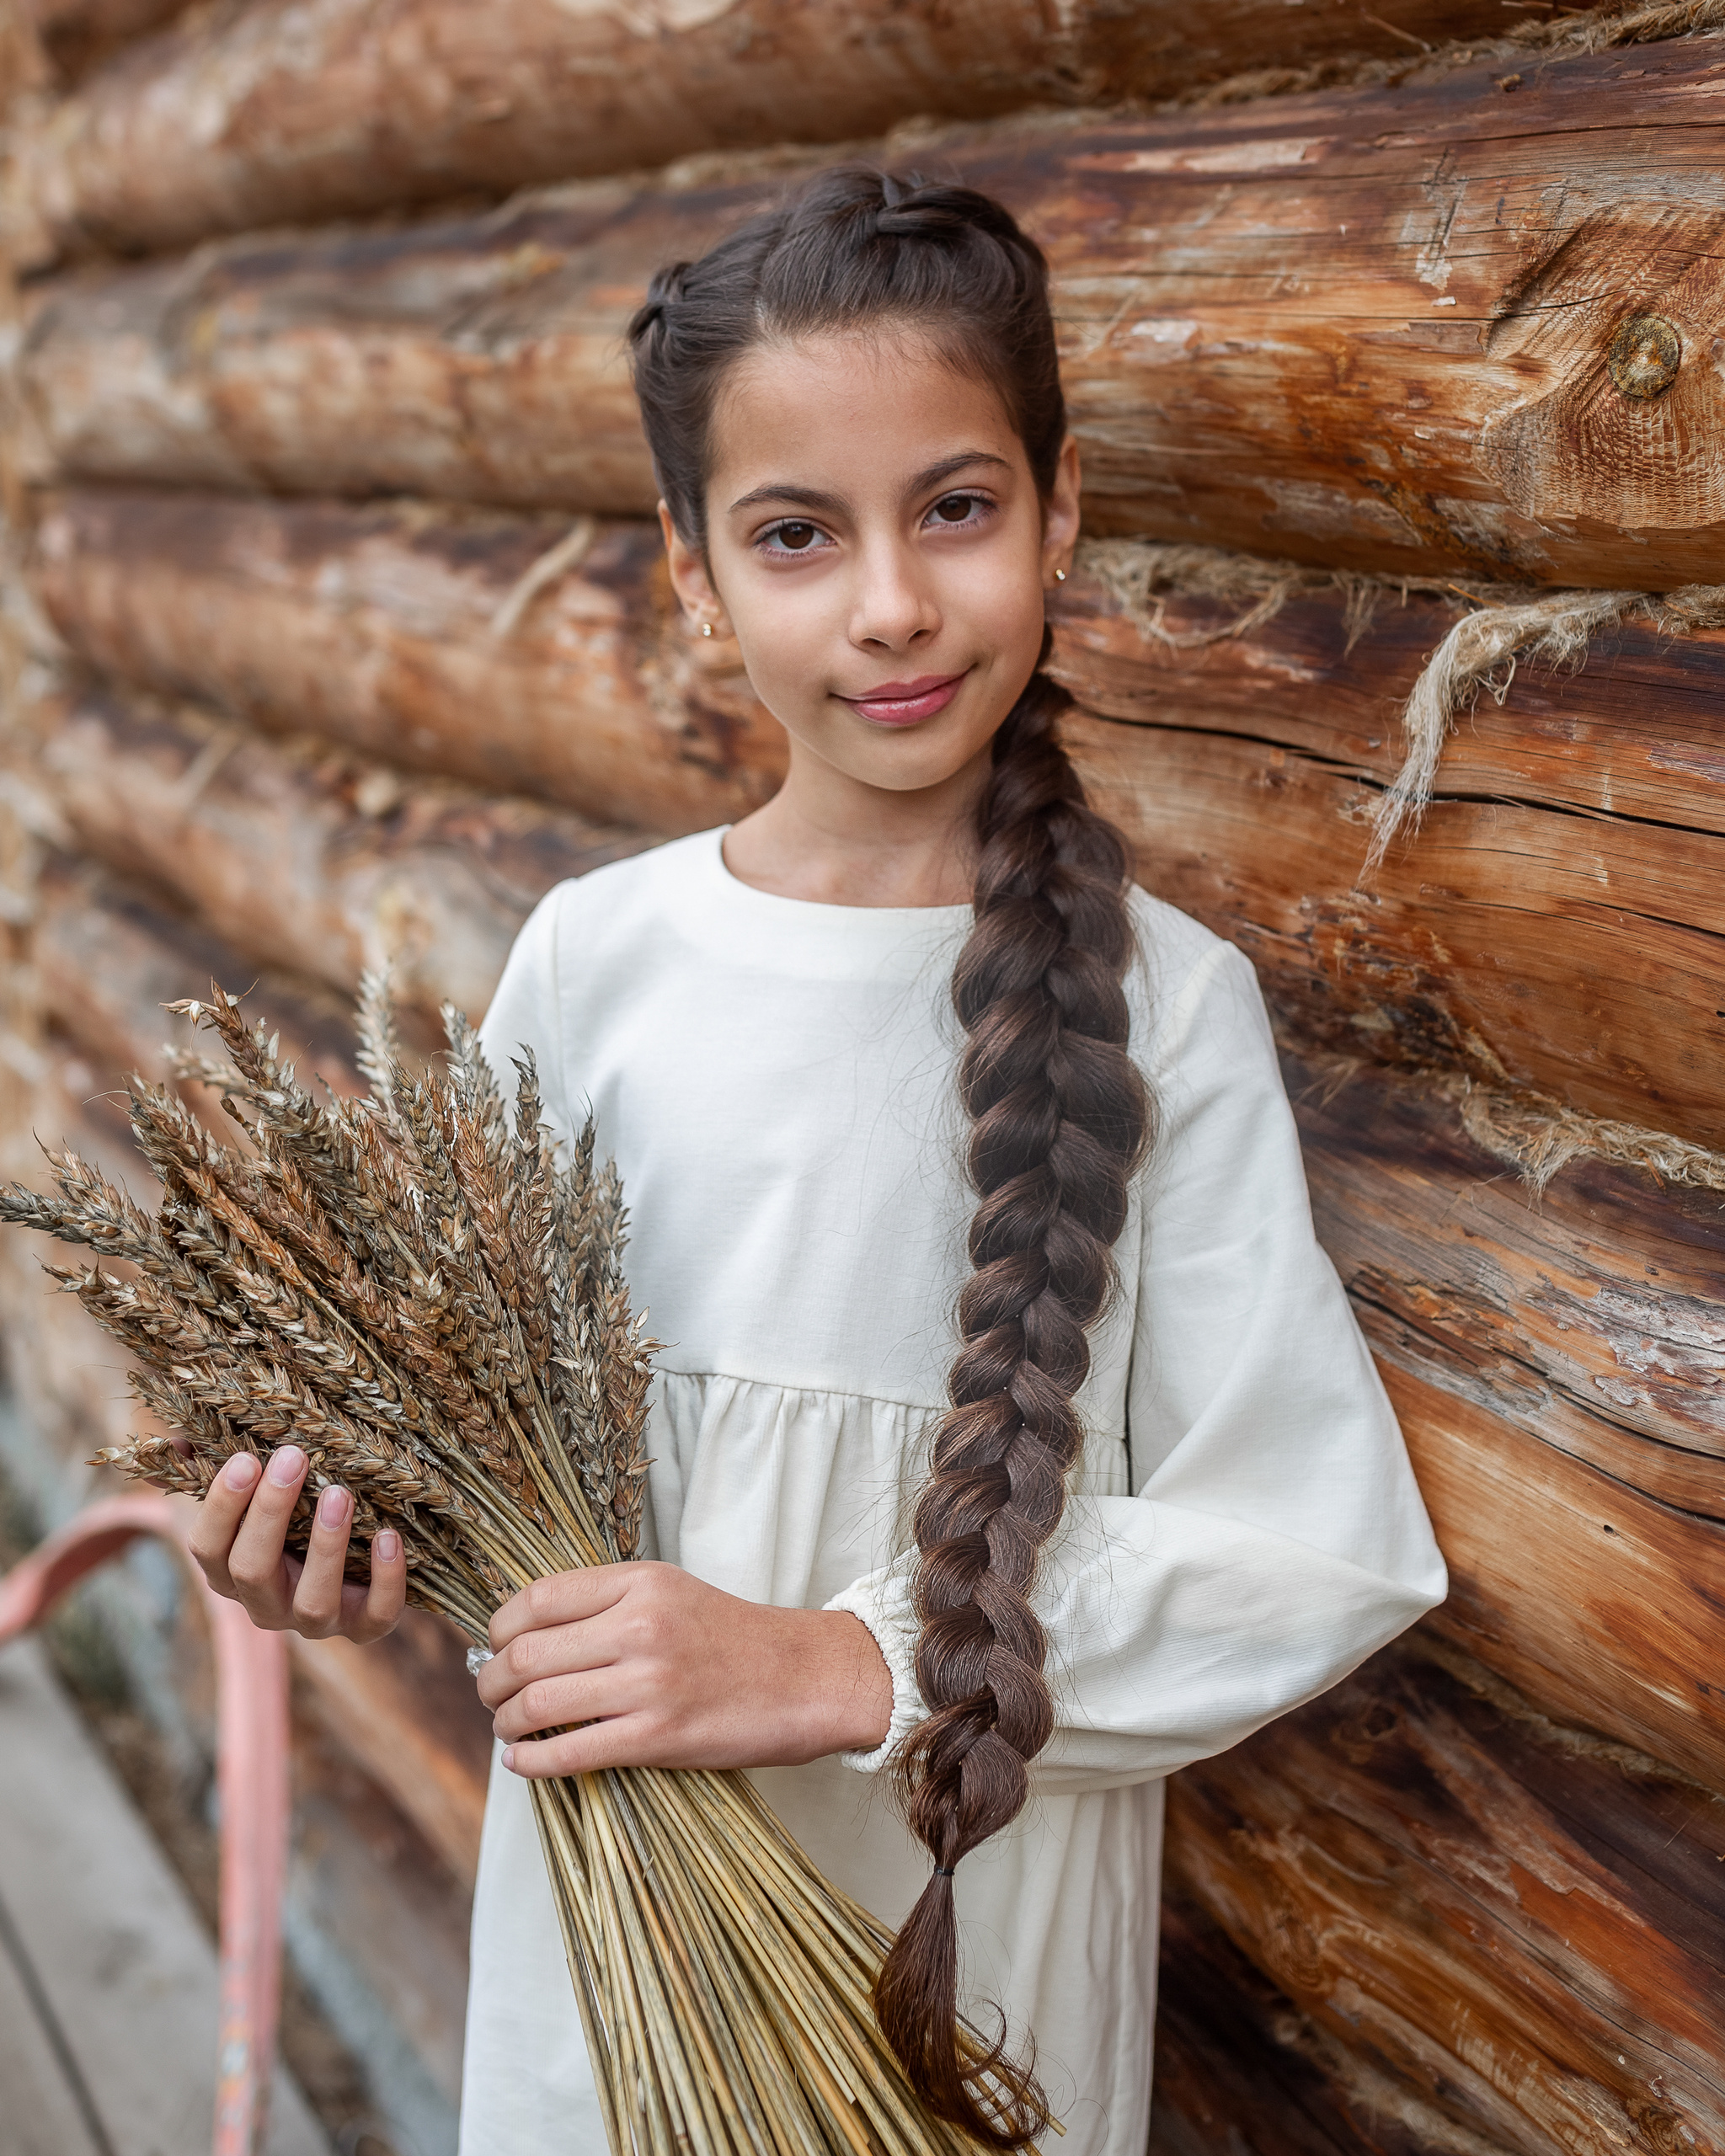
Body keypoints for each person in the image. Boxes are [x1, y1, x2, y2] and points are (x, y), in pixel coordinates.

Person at [185, 167, 1446, 2156]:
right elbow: (484, 1450)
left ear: (1063, 513)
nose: (888, 603)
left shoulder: (1165, 1010)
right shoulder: (594, 963)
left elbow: (1313, 1536)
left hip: (968, 1970)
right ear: (692, 571)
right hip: (621, 1973)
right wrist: (340, 1546)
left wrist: (834, 1658)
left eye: (955, 506)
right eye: (795, 534)